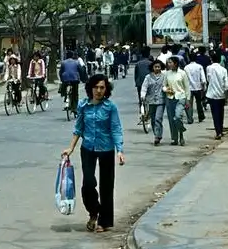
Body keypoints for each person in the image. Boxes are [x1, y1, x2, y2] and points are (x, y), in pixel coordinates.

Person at [62, 74, 125, 233]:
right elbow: (78, 128)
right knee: (88, 183)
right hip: (88, 148)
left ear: (106, 89)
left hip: (106, 149)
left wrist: (120, 150)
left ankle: (104, 222)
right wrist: (71, 148)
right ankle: (93, 211)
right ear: (90, 88)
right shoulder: (83, 105)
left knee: (106, 186)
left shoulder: (110, 107)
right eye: (96, 87)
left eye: (102, 87)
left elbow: (116, 129)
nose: (98, 91)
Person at [163, 56, 190, 146]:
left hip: (180, 97)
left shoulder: (182, 73)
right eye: (168, 63)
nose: (169, 64)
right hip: (170, 98)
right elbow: (164, 85)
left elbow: (186, 87)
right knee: (171, 119)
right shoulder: (167, 74)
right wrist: (166, 89)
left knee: (178, 117)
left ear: (176, 63)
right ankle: (175, 138)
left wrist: (188, 100)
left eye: (170, 62)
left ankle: (181, 134)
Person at [140, 60, 166, 145]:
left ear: (161, 67)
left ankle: (157, 136)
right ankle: (157, 134)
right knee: (153, 119)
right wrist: (143, 95)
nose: (157, 68)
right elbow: (144, 87)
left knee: (158, 118)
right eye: (155, 67)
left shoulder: (164, 76)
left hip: (161, 100)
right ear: (152, 67)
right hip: (150, 101)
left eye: (159, 67)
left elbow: (166, 86)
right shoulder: (148, 77)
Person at [206, 51, 228, 140]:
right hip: (221, 94)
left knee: (215, 114)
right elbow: (226, 84)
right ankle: (221, 129)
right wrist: (227, 94)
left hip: (212, 94)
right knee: (221, 113)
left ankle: (218, 131)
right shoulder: (224, 70)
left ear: (211, 59)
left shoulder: (209, 68)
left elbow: (208, 79)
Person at [184, 52, 206, 124]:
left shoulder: (186, 67)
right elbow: (203, 78)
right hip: (198, 87)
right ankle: (201, 116)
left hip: (189, 88)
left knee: (189, 104)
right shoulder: (199, 66)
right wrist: (204, 87)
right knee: (199, 103)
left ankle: (190, 118)